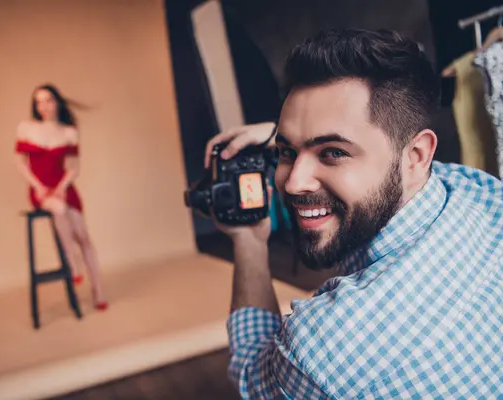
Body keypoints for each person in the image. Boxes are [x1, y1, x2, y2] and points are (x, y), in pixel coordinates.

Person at [206, 29, 503, 398]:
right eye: (287, 152)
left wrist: (249, 241)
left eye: (333, 152)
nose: (294, 182)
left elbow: (255, 374)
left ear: (416, 155)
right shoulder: (478, 193)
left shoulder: (324, 352)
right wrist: (294, 136)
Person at [15, 84, 108, 311]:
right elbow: (19, 162)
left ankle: (98, 289)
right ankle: (73, 262)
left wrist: (62, 187)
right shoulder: (26, 127)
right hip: (41, 190)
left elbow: (74, 168)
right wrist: (38, 186)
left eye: (48, 100)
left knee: (84, 236)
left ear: (57, 102)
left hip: (64, 188)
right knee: (57, 208)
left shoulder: (68, 131)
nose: (44, 106)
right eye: (39, 102)